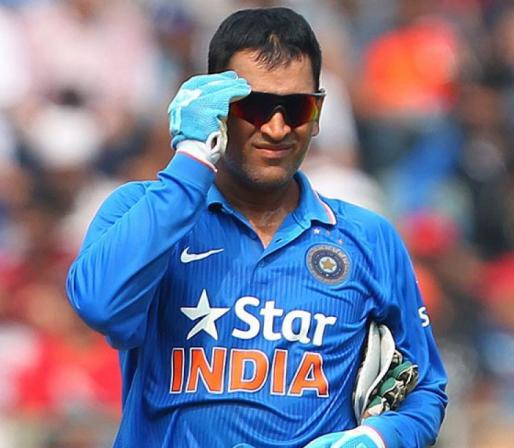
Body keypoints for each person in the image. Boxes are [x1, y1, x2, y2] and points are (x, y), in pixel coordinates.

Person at [65, 7, 447, 448]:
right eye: (255, 106)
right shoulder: (141, 209)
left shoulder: (367, 237)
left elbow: (425, 389)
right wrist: (191, 159)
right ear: (216, 107)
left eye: (297, 107)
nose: (277, 128)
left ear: (319, 113)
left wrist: (379, 438)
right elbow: (100, 305)